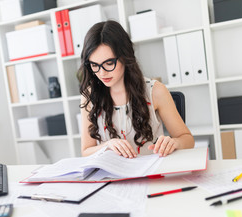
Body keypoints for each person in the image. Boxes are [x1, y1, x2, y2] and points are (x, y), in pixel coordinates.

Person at [79, 20, 194, 158]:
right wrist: (107, 146)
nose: (102, 73)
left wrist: (174, 143)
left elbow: (187, 139)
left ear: (125, 56)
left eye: (109, 63)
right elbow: (86, 151)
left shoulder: (155, 91)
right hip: (113, 176)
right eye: (94, 65)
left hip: (151, 175)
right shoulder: (89, 95)